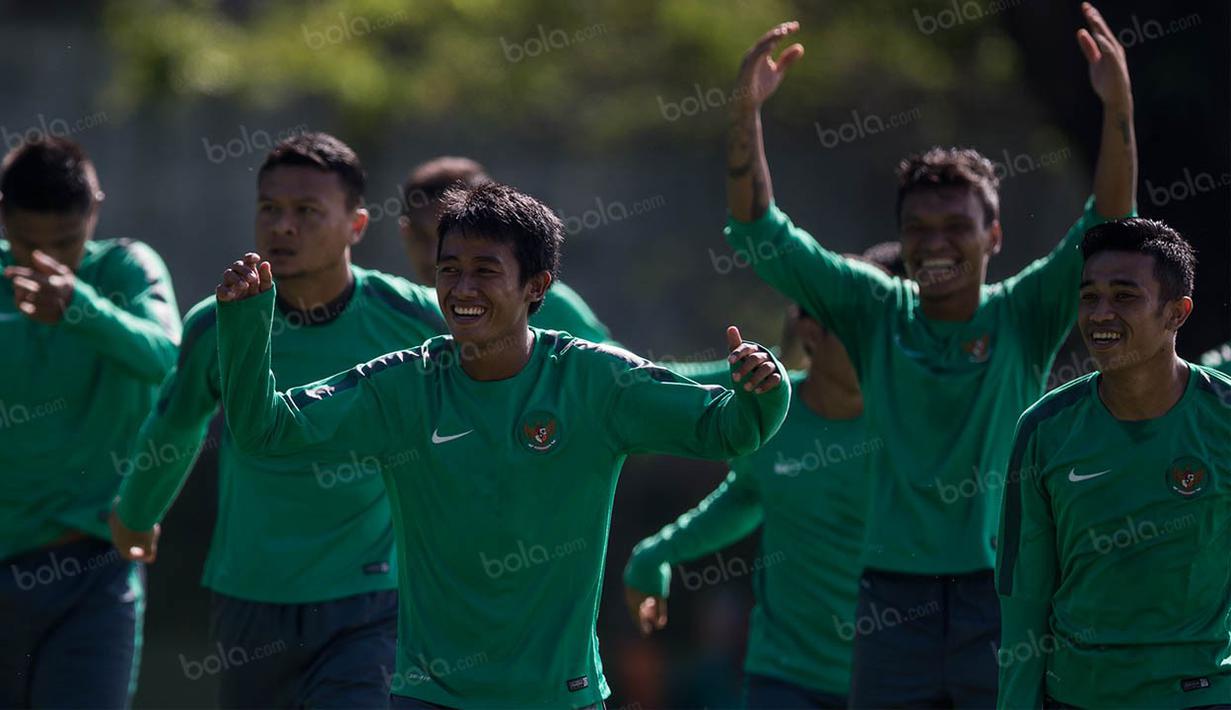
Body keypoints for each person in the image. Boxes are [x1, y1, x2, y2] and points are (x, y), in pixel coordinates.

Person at [213, 181, 790, 708]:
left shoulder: (594, 381)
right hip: (430, 696)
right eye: (449, 270)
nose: (462, 288)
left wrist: (765, 387)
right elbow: (266, 432)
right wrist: (245, 326)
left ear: (536, 285)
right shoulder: (403, 386)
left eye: (485, 271)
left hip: (560, 696)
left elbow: (730, 428)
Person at [722, 5, 1137, 705]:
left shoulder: (1023, 312)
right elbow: (758, 231)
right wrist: (744, 112)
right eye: (917, 228)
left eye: (955, 227)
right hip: (891, 603)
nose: (934, 243)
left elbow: (1109, 224)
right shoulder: (872, 308)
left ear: (993, 236)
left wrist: (1117, 104)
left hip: (1002, 593)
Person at [108, 133, 445, 708]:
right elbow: (175, 424)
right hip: (251, 598)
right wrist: (136, 513)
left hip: (372, 597)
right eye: (270, 209)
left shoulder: (414, 319)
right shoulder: (217, 324)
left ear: (356, 226)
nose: (283, 226)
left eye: (308, 212)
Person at [623, 247, 906, 709]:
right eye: (858, 326)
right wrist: (657, 553)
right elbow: (748, 495)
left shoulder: (914, 423)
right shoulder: (773, 408)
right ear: (811, 333)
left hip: (894, 678)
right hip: (786, 678)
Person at [996, 218, 1230, 707]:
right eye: (1089, 297)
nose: (1100, 314)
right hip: (1080, 696)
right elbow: (1024, 601)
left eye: (1125, 297)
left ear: (1177, 313)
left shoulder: (1223, 418)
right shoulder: (1044, 429)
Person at [0, 136, 181, 708]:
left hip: (93, 574)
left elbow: (168, 358)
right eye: (28, 245)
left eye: (66, 244)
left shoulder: (125, 270)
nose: (47, 264)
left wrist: (79, 308)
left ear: (95, 211)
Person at [400, 155, 614, 343]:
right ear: (405, 232)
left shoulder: (552, 304)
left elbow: (617, 376)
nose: (434, 254)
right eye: (421, 236)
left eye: (449, 235)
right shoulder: (391, 311)